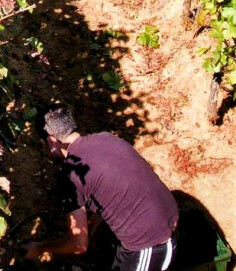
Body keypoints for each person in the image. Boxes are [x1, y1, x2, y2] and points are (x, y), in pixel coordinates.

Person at [23, 108, 179, 270]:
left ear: (51, 142)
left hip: (151, 245)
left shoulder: (69, 174)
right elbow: (118, 180)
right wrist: (97, 216)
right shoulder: (106, 138)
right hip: (166, 218)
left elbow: (78, 245)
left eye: (45, 146)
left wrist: (40, 248)